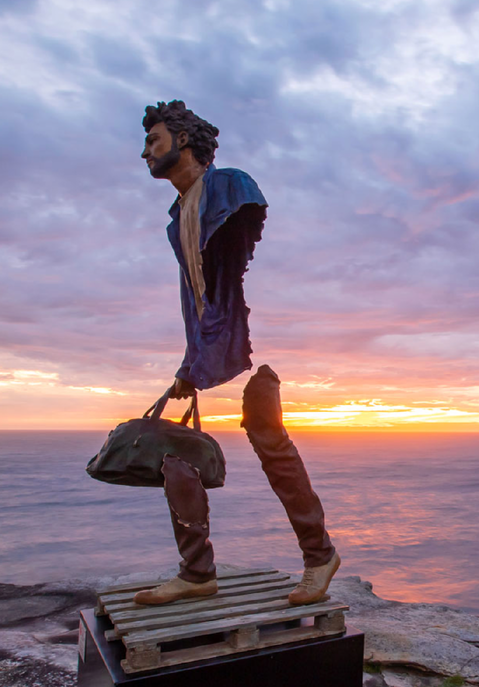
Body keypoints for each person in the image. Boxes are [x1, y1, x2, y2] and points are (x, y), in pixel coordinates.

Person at [132, 100, 340, 607]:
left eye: (153, 141)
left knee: (268, 438)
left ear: (182, 140)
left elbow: (230, 271)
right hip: (215, 344)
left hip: (259, 336)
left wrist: (203, 351)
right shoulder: (176, 218)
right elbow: (199, 297)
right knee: (173, 450)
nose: (144, 153)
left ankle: (319, 556)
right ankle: (197, 572)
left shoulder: (231, 186)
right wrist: (191, 361)